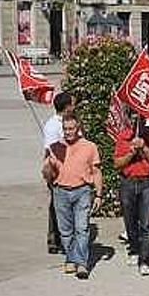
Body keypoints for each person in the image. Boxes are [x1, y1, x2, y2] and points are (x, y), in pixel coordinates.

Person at [41, 115, 104, 280]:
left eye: (71, 129)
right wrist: (48, 165)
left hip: (82, 190)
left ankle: (82, 263)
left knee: (82, 228)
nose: (68, 132)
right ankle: (71, 258)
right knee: (65, 231)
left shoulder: (90, 147)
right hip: (60, 191)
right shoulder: (55, 147)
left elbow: (97, 171)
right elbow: (47, 176)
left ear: (78, 129)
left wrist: (98, 194)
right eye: (66, 129)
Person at [113, 111, 149, 276]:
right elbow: (117, 164)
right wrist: (131, 152)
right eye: (133, 117)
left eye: (140, 117)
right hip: (128, 182)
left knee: (146, 223)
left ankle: (145, 260)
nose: (137, 120)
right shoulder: (123, 137)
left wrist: (145, 149)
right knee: (130, 221)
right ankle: (134, 250)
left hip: (148, 183)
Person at [43, 92, 76, 253]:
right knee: (57, 206)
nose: (74, 107)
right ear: (67, 106)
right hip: (58, 169)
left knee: (68, 206)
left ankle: (67, 237)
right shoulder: (53, 125)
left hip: (73, 169)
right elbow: (50, 151)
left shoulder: (71, 122)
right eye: (73, 104)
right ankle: (55, 240)